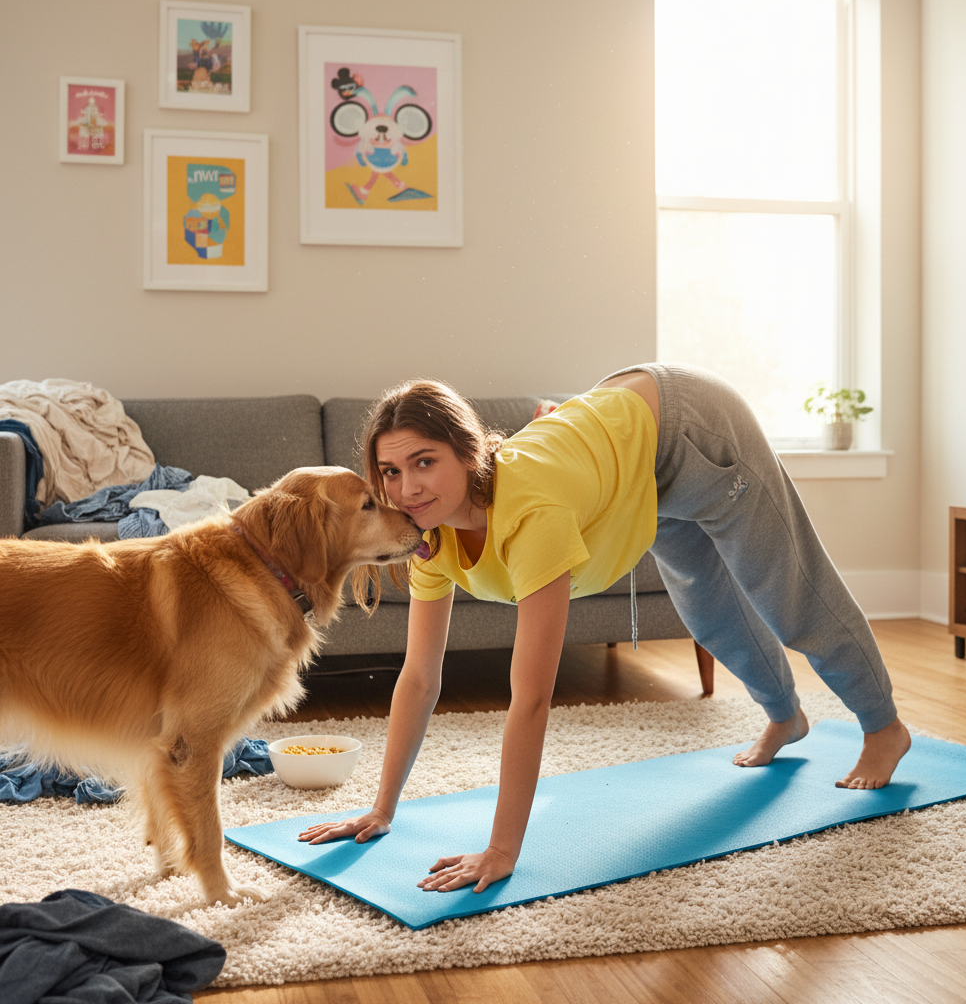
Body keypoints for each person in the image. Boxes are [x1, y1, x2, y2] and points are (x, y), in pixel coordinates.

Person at [299, 363, 911, 894]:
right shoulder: (425, 535)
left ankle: (884, 726)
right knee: (708, 611)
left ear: (469, 453)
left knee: (784, 590)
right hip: (630, 448)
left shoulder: (530, 513)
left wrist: (503, 849)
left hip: (689, 426)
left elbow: (532, 698)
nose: (407, 489)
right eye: (390, 472)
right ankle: (786, 716)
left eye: (424, 463)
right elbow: (419, 677)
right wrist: (381, 810)